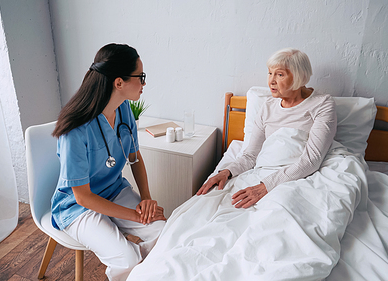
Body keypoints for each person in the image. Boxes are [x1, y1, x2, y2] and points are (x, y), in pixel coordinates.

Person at [51, 43, 166, 281]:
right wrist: (135, 216)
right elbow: (83, 197)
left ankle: (139, 267)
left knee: (165, 232)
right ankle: (135, 264)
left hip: (114, 191)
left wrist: (146, 199)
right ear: (119, 82)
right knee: (126, 259)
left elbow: (135, 159)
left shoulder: (124, 110)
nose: (144, 84)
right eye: (140, 77)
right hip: (77, 207)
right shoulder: (75, 130)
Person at [197, 48, 337, 208]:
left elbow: (311, 160)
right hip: (264, 170)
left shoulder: (322, 104)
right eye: (270, 73)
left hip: (298, 177)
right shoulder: (267, 107)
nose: (271, 81)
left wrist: (265, 186)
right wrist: (226, 172)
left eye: (280, 74)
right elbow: (250, 155)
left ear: (299, 76)